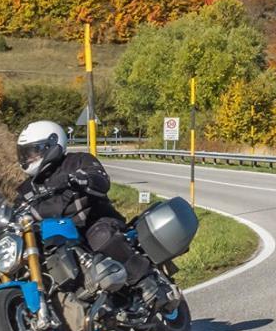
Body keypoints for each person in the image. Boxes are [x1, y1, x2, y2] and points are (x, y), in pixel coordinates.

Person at [13, 120, 165, 301]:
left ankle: (144, 280)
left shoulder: (77, 161)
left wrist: (84, 179)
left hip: (94, 223)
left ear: (52, 145)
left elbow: (100, 178)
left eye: (33, 152)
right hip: (59, 238)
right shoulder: (26, 189)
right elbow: (16, 211)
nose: (27, 159)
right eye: (25, 153)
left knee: (100, 236)